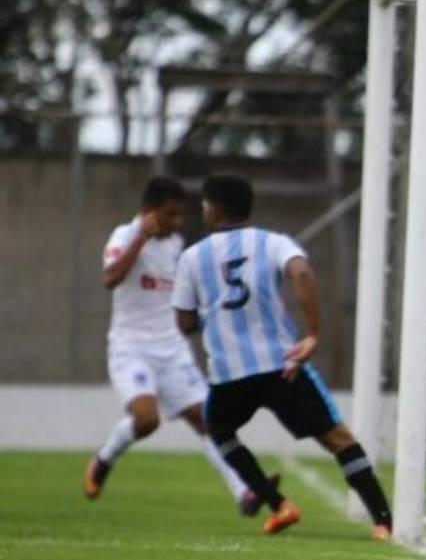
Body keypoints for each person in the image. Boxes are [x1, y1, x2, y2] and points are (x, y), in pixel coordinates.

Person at [171, 173, 392, 538]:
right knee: (337, 438)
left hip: (229, 374)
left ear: (211, 211)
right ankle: (383, 521)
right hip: (281, 365)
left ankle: (278, 504)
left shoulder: (192, 258)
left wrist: (201, 317)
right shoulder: (273, 243)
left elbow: (183, 321)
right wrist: (313, 333)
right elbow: (301, 272)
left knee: (220, 432)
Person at [85, 176, 272, 516]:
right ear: (149, 211)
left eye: (180, 215)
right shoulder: (124, 236)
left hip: (172, 349)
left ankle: (244, 492)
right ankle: (103, 459)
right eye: (170, 215)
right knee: (146, 420)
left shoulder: (175, 245)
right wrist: (141, 236)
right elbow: (110, 278)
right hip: (131, 348)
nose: (177, 222)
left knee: (208, 421)